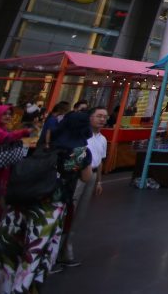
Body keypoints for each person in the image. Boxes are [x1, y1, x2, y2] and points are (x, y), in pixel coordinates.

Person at [0, 111, 92, 290]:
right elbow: (84, 176)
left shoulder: (49, 141)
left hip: (23, 198)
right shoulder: (79, 150)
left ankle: (0, 284)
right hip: (49, 203)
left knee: (10, 243)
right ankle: (23, 286)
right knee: (36, 248)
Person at [58, 106, 108, 267]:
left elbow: (100, 161)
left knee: (78, 214)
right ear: (89, 118)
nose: (102, 119)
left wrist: (99, 180)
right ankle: (57, 249)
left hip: (90, 176)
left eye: (105, 117)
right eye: (99, 116)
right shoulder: (80, 139)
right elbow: (72, 166)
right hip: (75, 178)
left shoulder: (102, 139)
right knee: (67, 212)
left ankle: (66, 248)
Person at [0, 106, 32, 231]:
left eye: (9, 114)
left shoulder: (3, 129)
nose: (8, 116)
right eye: (4, 114)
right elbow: (5, 138)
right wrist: (23, 132)